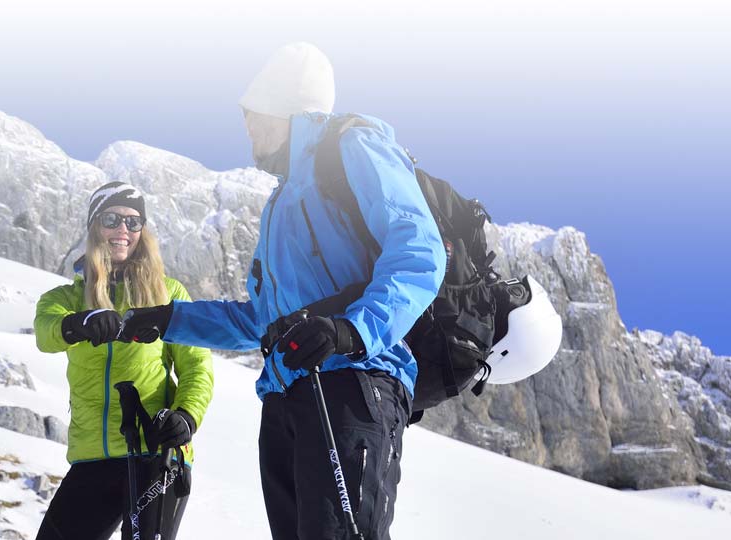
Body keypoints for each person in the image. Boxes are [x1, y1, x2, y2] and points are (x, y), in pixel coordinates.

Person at [120, 42, 444, 540]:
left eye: (253, 114)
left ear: (287, 107)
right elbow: (258, 321)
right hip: (287, 399)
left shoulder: (351, 147)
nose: (246, 126)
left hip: (353, 383)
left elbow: (419, 251)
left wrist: (352, 330)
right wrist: (167, 320)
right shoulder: (279, 205)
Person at [32, 181, 214, 540]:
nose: (123, 231)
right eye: (112, 218)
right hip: (92, 457)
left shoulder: (168, 294)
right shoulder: (67, 299)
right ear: (94, 226)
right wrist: (79, 324)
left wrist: (187, 416)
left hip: (156, 451)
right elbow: (45, 331)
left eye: (134, 223)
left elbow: (196, 367)